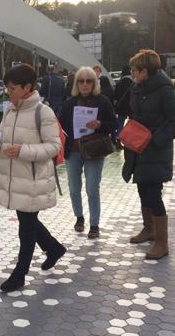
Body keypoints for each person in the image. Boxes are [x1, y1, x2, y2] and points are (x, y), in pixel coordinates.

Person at [0, 64, 66, 293]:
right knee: (28, 220)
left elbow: (54, 146)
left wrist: (23, 150)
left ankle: (19, 274)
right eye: (7, 88)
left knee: (26, 227)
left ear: (27, 88)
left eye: (12, 88)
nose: (8, 92)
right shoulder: (10, 110)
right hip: (15, 178)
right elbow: (2, 142)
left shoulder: (43, 112)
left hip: (32, 179)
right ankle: (53, 249)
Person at [123, 49, 175, 260]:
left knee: (153, 194)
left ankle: (162, 242)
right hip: (138, 150)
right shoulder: (137, 89)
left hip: (156, 152)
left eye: (135, 71)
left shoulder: (164, 90)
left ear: (145, 71)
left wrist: (156, 140)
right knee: (142, 190)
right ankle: (148, 229)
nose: (132, 74)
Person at [59, 67, 116, 239]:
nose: (85, 84)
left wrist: (100, 124)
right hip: (73, 151)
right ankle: (79, 217)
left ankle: (94, 225)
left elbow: (113, 124)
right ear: (76, 84)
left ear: (94, 83)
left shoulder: (103, 101)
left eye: (88, 81)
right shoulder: (69, 103)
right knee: (74, 188)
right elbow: (60, 127)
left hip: (94, 149)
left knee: (92, 188)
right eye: (81, 81)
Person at [113, 65, 134, 149]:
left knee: (120, 122)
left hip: (121, 106)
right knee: (132, 123)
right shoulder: (132, 83)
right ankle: (128, 138)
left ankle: (117, 137)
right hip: (130, 106)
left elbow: (115, 96)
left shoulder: (119, 82)